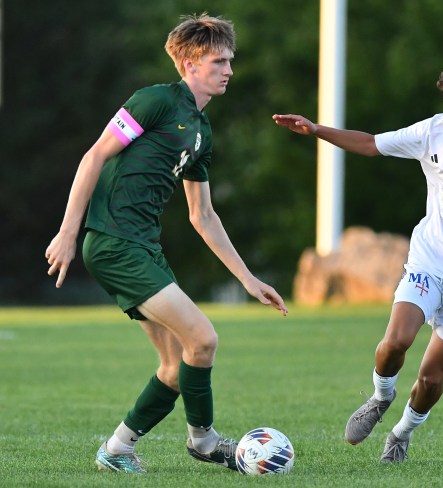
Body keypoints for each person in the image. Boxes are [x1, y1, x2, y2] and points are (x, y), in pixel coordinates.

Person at [273, 57, 443, 463]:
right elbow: (370, 143)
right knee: (395, 342)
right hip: (430, 260)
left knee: (431, 376)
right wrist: (316, 130)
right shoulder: (431, 131)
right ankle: (380, 397)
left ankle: (401, 434)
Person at [45, 13, 288, 474]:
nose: (229, 70)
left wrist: (249, 279)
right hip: (115, 243)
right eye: (218, 61)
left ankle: (116, 450)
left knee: (177, 366)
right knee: (204, 338)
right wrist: (67, 231)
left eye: (230, 61)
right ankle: (204, 441)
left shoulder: (203, 131)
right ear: (189, 63)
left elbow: (203, 216)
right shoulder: (154, 100)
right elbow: (94, 155)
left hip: (143, 247)